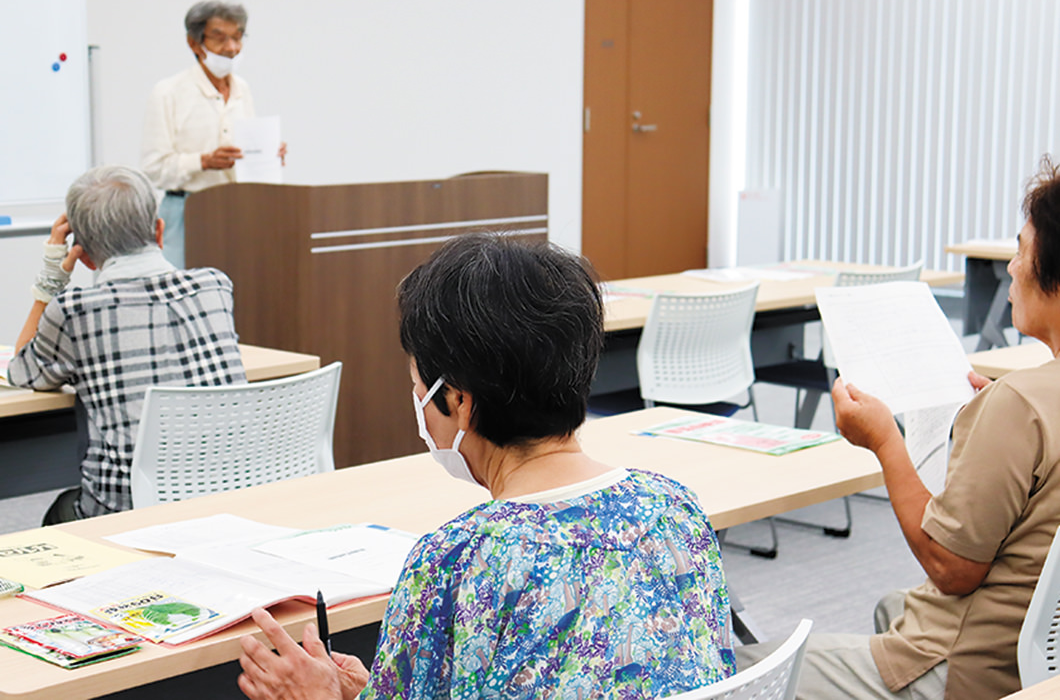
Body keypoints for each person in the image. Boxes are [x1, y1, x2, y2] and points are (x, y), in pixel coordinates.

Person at [237, 234, 736, 699]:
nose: (417, 403)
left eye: (418, 387)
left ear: (457, 400)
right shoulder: (674, 506)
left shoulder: (456, 559)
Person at [737, 156, 1060, 699]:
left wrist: (885, 441)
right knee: (892, 604)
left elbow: (950, 568)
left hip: (970, 665)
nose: (1009, 268)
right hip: (1038, 660)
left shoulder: (1020, 407)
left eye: (1021, 251)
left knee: (749, 664)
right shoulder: (1021, 403)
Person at [7, 165, 245, 523]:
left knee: (60, 513)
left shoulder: (75, 311)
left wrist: (52, 278)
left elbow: (21, 370)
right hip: (232, 497)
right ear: (159, 231)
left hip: (128, 513)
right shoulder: (215, 286)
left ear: (83, 257)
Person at [142, 0, 283, 268]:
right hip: (187, 213)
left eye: (237, 37)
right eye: (219, 38)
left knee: (238, 291)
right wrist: (203, 161)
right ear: (194, 43)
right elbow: (153, 168)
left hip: (238, 211)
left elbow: (244, 157)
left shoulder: (242, 89)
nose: (231, 48)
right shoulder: (168, 92)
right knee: (186, 295)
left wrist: (268, 154)